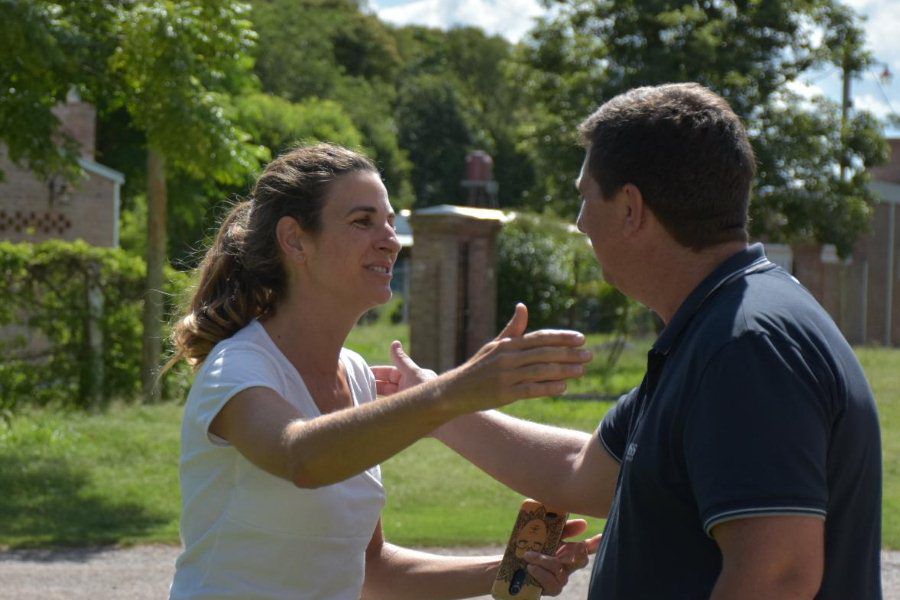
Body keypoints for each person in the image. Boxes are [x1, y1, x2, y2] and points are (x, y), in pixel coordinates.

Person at [378, 83, 883, 598]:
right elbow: (585, 473)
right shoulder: (718, 327)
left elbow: (777, 576)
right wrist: (430, 403)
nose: (579, 222)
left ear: (629, 208)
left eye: (584, 197)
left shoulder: (745, 346)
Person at [165, 142, 599, 600]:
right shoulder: (237, 367)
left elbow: (370, 570)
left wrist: (511, 567)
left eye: (390, 221)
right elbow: (300, 458)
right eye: (362, 222)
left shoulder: (354, 374)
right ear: (294, 240)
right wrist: (452, 392)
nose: (390, 239)